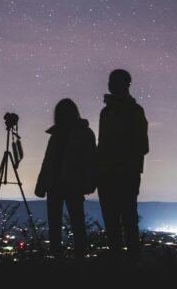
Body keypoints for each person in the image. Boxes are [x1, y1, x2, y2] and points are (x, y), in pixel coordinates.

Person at [34, 98, 97, 260]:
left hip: (71, 184)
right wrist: (42, 183)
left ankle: (76, 257)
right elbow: (48, 161)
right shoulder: (61, 135)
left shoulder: (80, 134)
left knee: (73, 222)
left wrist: (89, 182)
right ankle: (64, 256)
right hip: (60, 184)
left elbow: (90, 160)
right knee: (65, 223)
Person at [97, 68, 148, 263]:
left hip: (124, 173)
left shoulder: (133, 111)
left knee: (126, 218)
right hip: (113, 173)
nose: (110, 84)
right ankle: (120, 261)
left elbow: (141, 145)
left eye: (114, 81)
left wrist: (115, 159)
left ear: (125, 85)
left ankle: (128, 262)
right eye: (110, 80)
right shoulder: (107, 112)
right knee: (116, 220)